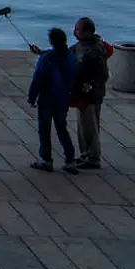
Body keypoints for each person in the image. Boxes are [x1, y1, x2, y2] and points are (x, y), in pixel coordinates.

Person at [29, 27, 80, 173]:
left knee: (44, 130)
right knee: (62, 128)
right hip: (63, 98)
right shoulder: (70, 56)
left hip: (47, 99)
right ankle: (70, 161)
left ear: (51, 41)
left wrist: (32, 97)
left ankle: (46, 160)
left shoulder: (47, 59)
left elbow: (38, 79)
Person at [72, 17, 111, 169]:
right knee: (83, 126)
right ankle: (85, 154)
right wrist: (43, 53)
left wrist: (91, 85)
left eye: (78, 29)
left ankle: (93, 158)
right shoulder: (82, 45)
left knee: (90, 126)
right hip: (82, 92)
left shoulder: (95, 50)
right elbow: (66, 54)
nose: (75, 32)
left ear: (87, 32)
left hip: (91, 93)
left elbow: (103, 74)